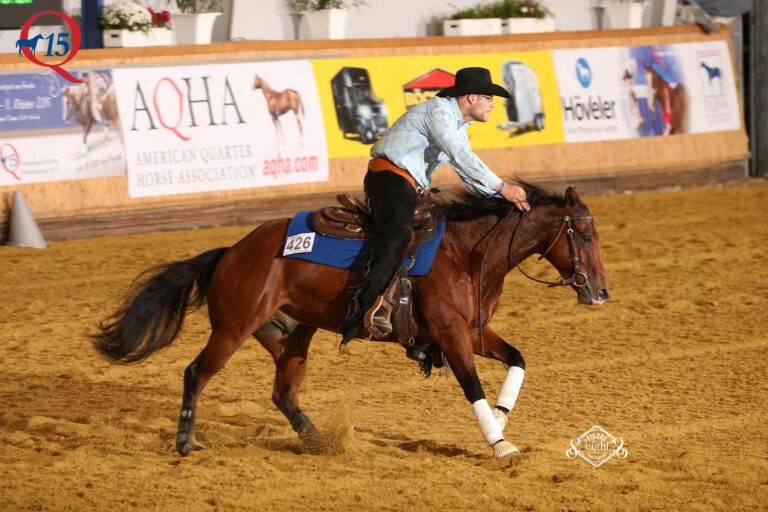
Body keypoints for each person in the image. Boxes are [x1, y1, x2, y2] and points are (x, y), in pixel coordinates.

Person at [339, 66, 531, 345]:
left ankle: (418, 318)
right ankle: (366, 306)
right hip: (389, 179)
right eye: (489, 98)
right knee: (399, 232)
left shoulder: (457, 125)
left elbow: (466, 171)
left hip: (408, 185)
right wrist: (503, 187)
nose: (492, 105)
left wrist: (499, 200)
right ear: (471, 98)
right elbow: (461, 156)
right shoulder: (438, 111)